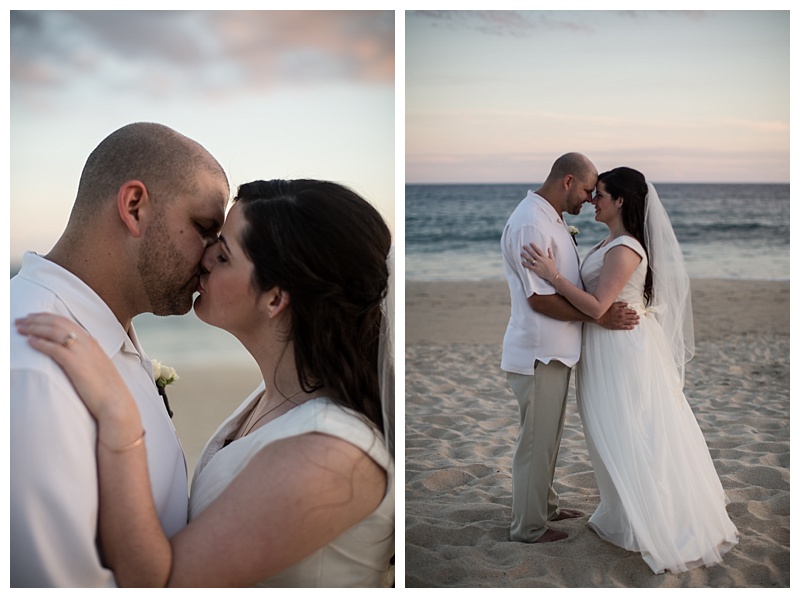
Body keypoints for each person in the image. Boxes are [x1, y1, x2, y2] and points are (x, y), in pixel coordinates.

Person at [16, 179, 395, 587]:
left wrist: (119, 417)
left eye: (225, 254)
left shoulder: (330, 455)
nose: (204, 257)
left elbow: (163, 585)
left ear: (274, 299)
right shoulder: (274, 398)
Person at [10, 122, 230, 587]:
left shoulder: (103, 328)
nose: (212, 257)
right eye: (205, 229)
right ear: (134, 208)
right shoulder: (33, 370)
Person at [522, 166, 738, 573]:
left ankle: (661, 520)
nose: (592, 200)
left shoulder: (625, 247)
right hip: (606, 347)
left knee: (635, 430)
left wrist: (552, 276)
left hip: (624, 349)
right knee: (616, 432)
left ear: (620, 200)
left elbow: (599, 306)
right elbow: (600, 304)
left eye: (600, 194)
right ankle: (627, 511)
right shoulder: (611, 241)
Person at [500, 153, 640, 544]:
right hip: (539, 351)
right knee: (535, 442)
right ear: (566, 181)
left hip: (555, 352)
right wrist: (599, 317)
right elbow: (538, 299)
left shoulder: (551, 218)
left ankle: (544, 506)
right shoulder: (531, 221)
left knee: (548, 438)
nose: (588, 199)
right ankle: (528, 527)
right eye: (585, 190)